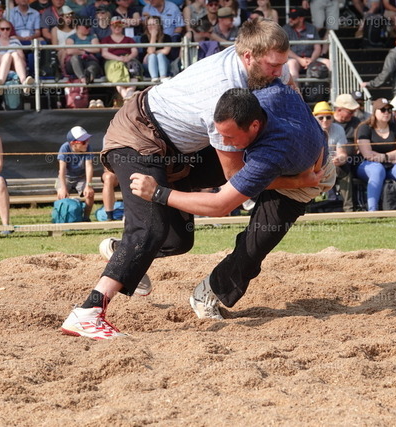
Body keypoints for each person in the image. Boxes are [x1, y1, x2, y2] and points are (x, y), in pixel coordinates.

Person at [59, 19, 320, 340]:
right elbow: (233, 182)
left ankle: (125, 253)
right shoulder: (222, 96)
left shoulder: (260, 64)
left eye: (282, 64)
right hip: (137, 137)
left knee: (178, 241)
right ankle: (88, 312)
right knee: (151, 229)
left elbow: (289, 89)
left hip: (177, 149)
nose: (279, 72)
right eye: (273, 65)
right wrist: (294, 182)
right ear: (248, 56)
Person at [128, 84, 331, 320]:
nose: (223, 141)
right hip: (295, 169)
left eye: (230, 136)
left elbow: (220, 206)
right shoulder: (274, 91)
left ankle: (207, 293)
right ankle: (131, 245)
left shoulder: (270, 154)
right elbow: (287, 80)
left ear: (254, 125)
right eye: (220, 134)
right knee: (188, 171)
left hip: (302, 183)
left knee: (253, 248)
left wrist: (157, 193)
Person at [355, 98, 396, 211]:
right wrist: (390, 158)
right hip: (367, 164)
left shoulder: (395, 128)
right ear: (374, 111)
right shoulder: (365, 128)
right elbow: (367, 154)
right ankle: (372, 211)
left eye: (389, 110)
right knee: (377, 170)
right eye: (383, 110)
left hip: (391, 165)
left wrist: (385, 158)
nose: (386, 112)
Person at [313, 101, 349, 209]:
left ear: (332, 118)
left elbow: (342, 153)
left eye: (328, 117)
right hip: (314, 166)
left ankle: (348, 208)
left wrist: (340, 159)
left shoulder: (338, 129)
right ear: (314, 118)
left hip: (333, 164)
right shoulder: (310, 130)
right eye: (321, 118)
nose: (325, 120)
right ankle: (310, 208)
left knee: (346, 169)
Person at [56, 126, 95, 221]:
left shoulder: (88, 148)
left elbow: (89, 166)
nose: (87, 143)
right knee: (61, 195)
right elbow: (62, 170)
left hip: (81, 177)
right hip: (66, 177)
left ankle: (86, 218)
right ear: (73, 143)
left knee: (90, 194)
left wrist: (89, 185)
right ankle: (62, 219)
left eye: (87, 140)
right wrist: (63, 188)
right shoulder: (64, 148)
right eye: (83, 142)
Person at [332, 93, 362, 212]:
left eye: (354, 111)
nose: (353, 114)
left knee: (346, 166)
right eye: (350, 112)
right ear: (339, 110)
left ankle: (349, 207)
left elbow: (360, 141)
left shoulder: (356, 122)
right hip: (331, 159)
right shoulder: (328, 121)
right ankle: (332, 202)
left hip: (353, 159)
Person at [283, 7, 326, 87]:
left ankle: (332, 92)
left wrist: (312, 60)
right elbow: (285, 49)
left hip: (311, 58)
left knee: (328, 63)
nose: (290, 20)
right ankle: (297, 93)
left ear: (301, 19)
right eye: (290, 17)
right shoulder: (286, 29)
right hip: (295, 59)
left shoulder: (311, 28)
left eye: (293, 18)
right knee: (291, 64)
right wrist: (300, 60)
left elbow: (317, 47)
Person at [0, 19, 35, 93]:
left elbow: (21, 56)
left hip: (15, 66)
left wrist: (10, 56)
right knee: (9, 55)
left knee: (15, 54)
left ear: (10, 30)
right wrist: (9, 56)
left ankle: (24, 82)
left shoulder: (15, 41)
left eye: (7, 29)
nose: (5, 31)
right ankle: (1, 83)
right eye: (2, 29)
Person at [101, 17, 138, 101]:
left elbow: (134, 51)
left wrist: (128, 57)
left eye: (119, 25)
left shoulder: (129, 39)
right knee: (116, 72)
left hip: (128, 59)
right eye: (115, 26)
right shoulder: (106, 39)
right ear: (111, 27)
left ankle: (130, 92)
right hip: (112, 60)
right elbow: (104, 53)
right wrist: (118, 58)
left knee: (134, 66)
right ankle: (126, 96)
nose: (117, 27)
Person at [65, 16, 101, 84]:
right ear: (79, 26)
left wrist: (81, 48)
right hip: (74, 64)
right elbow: (69, 51)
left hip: (89, 60)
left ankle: (90, 77)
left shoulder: (93, 36)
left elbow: (97, 49)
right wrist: (85, 52)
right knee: (74, 58)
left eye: (90, 26)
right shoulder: (71, 38)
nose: (89, 29)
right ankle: (83, 78)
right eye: (86, 27)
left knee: (93, 65)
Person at [141, 15, 171, 82]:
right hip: (148, 65)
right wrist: (153, 36)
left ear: (159, 26)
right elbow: (151, 51)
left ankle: (163, 77)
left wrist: (149, 54)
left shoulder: (167, 37)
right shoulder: (144, 37)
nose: (151, 27)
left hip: (165, 64)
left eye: (153, 24)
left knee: (160, 55)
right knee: (152, 56)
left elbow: (166, 51)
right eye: (149, 25)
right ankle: (154, 78)